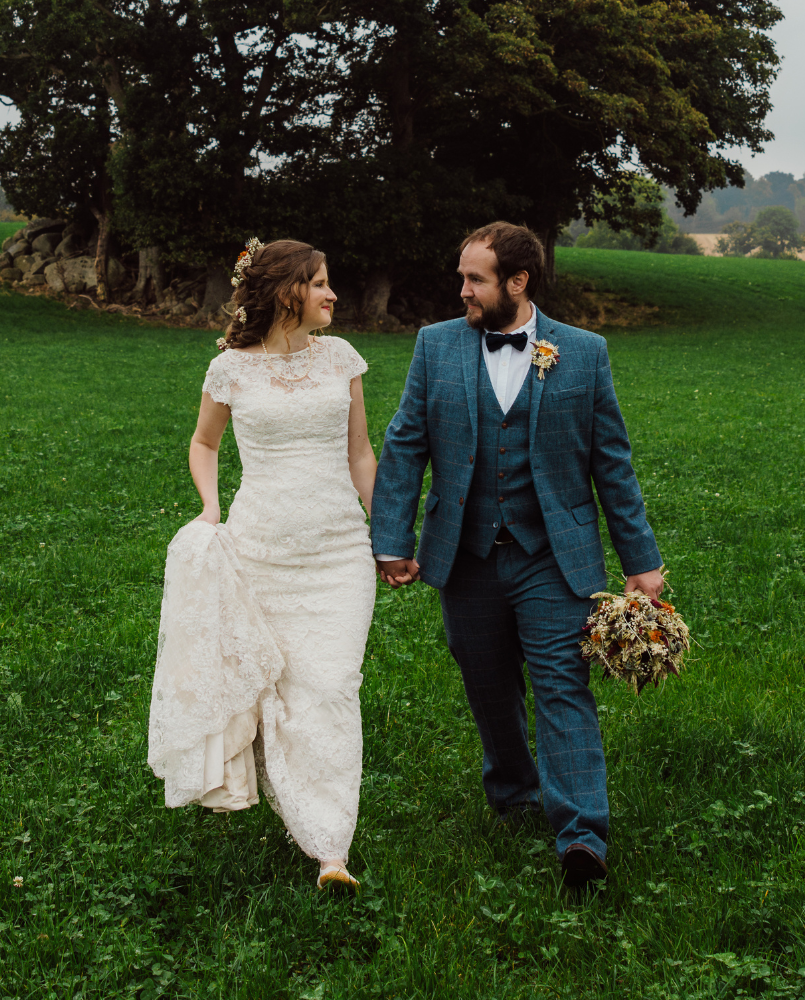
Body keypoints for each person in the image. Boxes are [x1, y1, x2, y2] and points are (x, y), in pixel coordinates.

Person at [371, 222, 664, 888]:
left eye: (475, 279)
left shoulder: (583, 353)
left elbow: (611, 462)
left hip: (552, 556)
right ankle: (512, 793)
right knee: (488, 686)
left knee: (563, 686)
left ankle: (581, 836)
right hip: (465, 554)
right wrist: (390, 540)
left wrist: (640, 560)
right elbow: (405, 444)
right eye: (462, 277)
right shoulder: (435, 345)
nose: (462, 289)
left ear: (518, 281)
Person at [148, 239, 377, 891]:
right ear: (286, 292)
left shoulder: (342, 359)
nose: (333, 294)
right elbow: (203, 442)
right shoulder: (229, 370)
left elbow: (361, 453)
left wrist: (388, 531)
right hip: (260, 550)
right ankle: (298, 810)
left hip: (339, 551)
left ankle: (330, 847)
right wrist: (209, 509)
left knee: (332, 685)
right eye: (321, 283)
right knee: (276, 685)